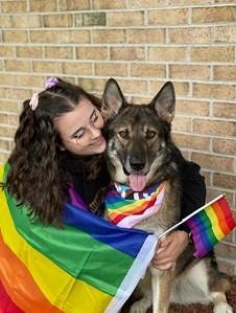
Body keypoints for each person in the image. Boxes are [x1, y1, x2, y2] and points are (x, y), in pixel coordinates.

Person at [3, 77, 206, 291]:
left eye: (94, 117)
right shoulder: (53, 184)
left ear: (104, 109)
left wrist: (184, 232)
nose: (96, 133)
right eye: (79, 134)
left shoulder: (115, 134)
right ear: (59, 145)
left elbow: (192, 177)